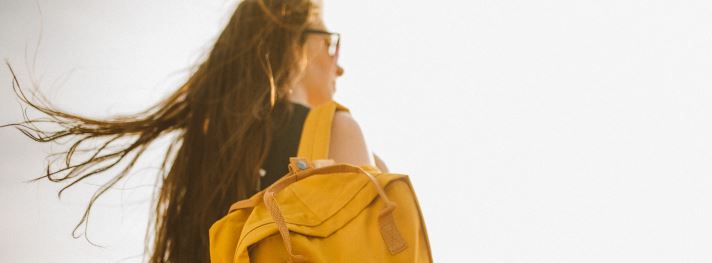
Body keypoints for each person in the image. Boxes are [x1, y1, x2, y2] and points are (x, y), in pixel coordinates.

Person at [3, 0, 388, 262]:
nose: (339, 65)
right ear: (292, 43)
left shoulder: (208, 156)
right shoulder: (339, 130)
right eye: (330, 42)